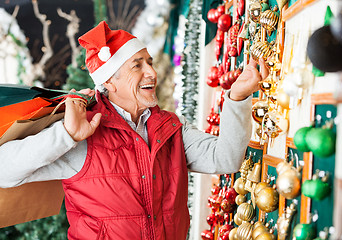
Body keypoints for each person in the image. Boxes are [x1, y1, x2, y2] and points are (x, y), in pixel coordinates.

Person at [0, 21, 268, 240]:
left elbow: (226, 158)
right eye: (137, 65)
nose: (151, 72)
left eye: (149, 62)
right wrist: (66, 135)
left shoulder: (171, 127)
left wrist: (237, 97)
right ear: (109, 81)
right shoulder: (81, 131)